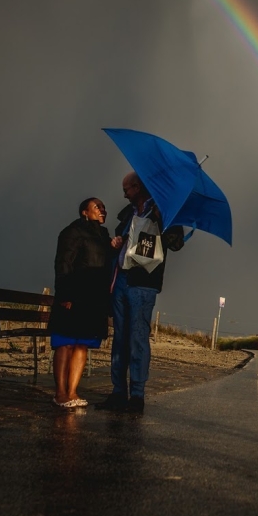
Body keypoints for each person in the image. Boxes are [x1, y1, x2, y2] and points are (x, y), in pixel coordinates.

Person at [95, 172, 184, 414]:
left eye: (127, 189)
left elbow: (177, 242)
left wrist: (162, 220)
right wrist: (116, 243)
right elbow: (123, 237)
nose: (124, 193)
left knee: (137, 337)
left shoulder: (165, 210)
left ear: (138, 187)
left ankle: (136, 396)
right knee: (120, 338)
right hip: (121, 279)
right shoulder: (127, 213)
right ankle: (117, 393)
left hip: (143, 283)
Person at [47, 198, 114, 408]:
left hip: (93, 299)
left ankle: (73, 392)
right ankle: (60, 393)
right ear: (85, 212)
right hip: (73, 295)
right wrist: (65, 294)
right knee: (65, 343)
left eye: (103, 207)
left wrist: (114, 247)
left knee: (82, 345)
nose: (103, 210)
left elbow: (106, 264)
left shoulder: (103, 236)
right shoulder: (73, 232)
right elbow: (63, 263)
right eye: (97, 207)